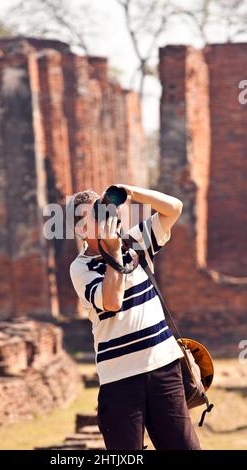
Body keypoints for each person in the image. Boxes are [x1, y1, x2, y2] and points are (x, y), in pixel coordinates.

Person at [69, 184, 201, 450]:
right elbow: (112, 301)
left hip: (163, 367)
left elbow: (174, 208)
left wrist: (131, 193)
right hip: (120, 379)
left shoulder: (135, 243)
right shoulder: (81, 268)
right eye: (92, 216)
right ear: (81, 231)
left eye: (101, 209)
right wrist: (114, 253)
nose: (101, 216)